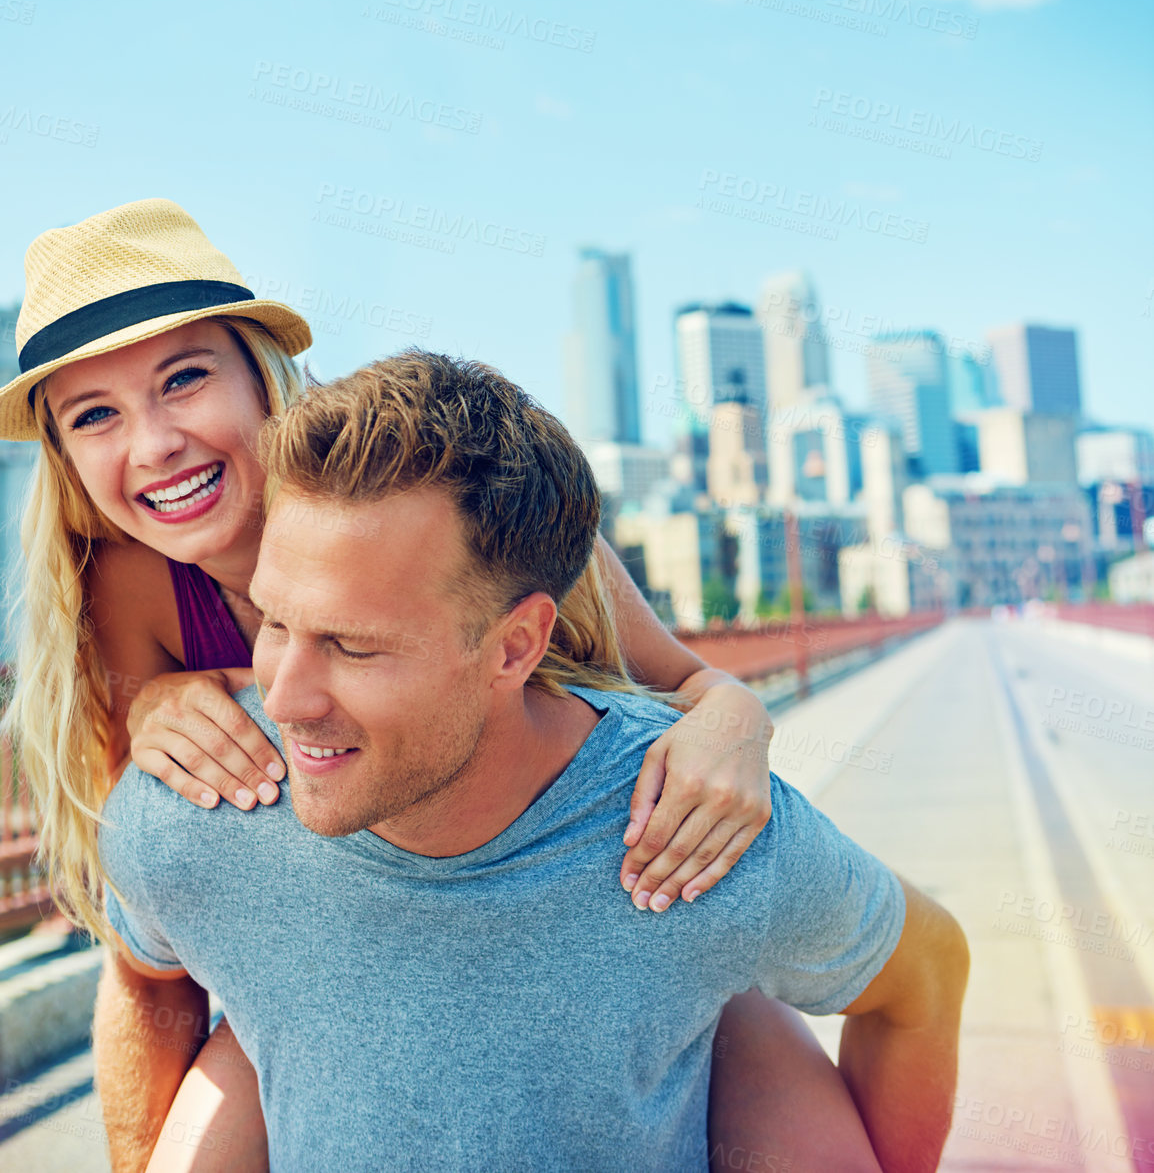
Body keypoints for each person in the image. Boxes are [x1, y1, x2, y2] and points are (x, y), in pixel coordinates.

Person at [1, 198, 868, 1168]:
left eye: (185, 379)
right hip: (325, 966)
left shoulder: (458, 506)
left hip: (588, 912)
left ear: (263, 376)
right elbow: (160, 895)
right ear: (67, 459)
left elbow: (694, 685)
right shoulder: (131, 584)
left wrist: (736, 723)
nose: (154, 442)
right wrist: (152, 700)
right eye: (95, 416)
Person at [97, 352, 968, 1173]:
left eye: (354, 648)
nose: (282, 699)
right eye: (274, 623)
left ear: (516, 648)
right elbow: (141, 971)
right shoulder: (192, 813)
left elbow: (926, 972)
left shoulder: (691, 832)